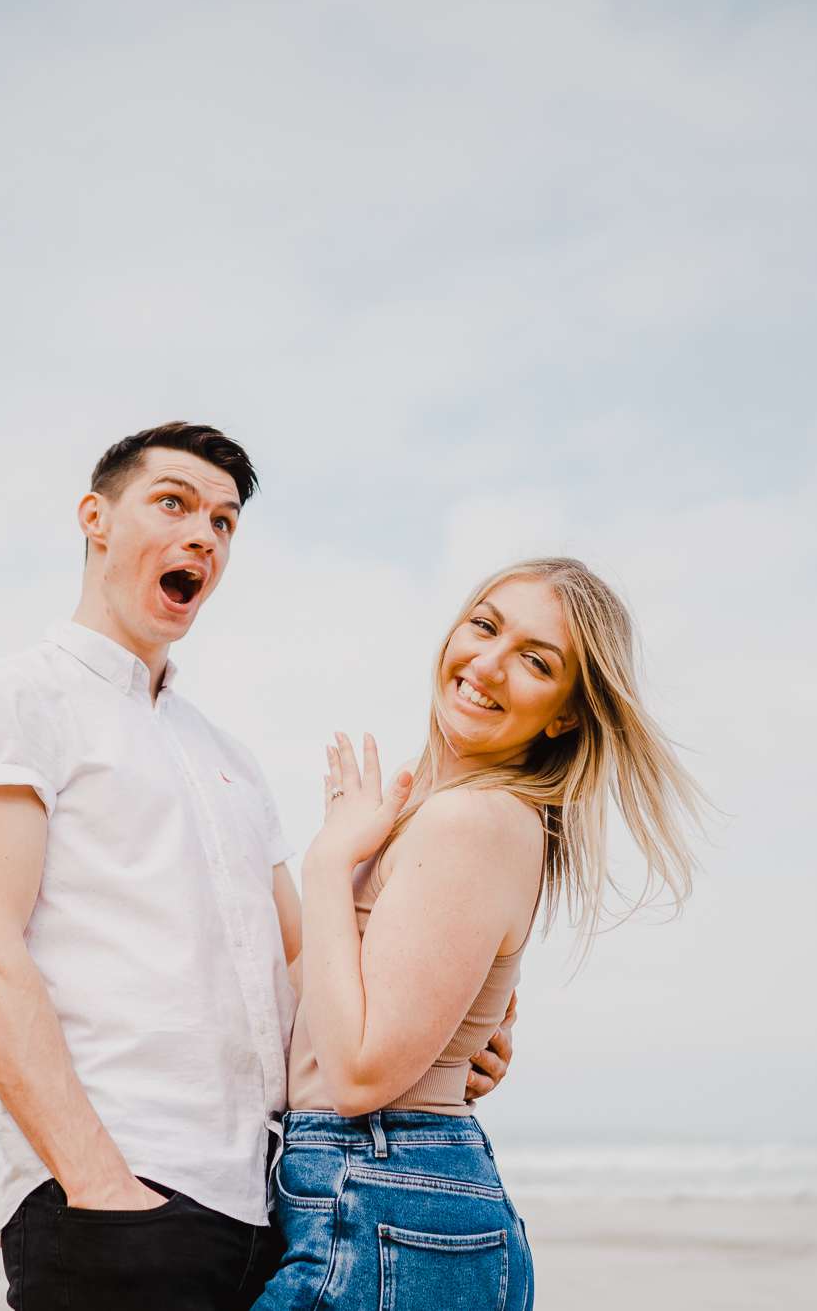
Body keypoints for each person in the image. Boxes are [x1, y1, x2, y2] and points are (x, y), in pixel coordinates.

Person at [0, 423, 512, 1311]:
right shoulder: (14, 700)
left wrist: (434, 1032)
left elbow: (302, 963)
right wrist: (102, 1187)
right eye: (174, 503)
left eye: (225, 522)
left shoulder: (224, 754)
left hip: (270, 1207)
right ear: (96, 518)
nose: (204, 535)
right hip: (116, 1199)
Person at [253, 557, 704, 1311]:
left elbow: (360, 1073)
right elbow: (329, 1012)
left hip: (383, 1195)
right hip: (378, 1195)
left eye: (535, 660)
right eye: (485, 625)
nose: (488, 664)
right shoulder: (435, 807)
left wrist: (331, 862)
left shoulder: (473, 820)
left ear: (564, 713)